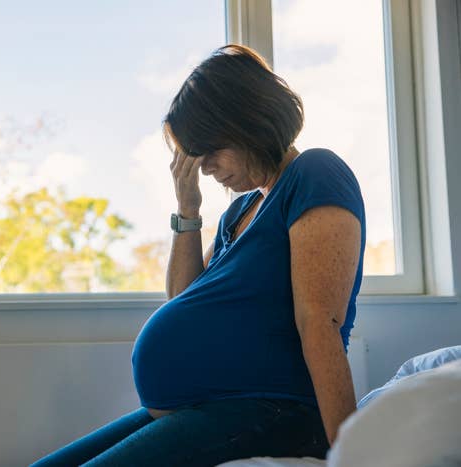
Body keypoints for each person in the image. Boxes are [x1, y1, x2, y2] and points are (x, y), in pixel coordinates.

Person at [30, 44, 366, 467]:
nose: (204, 167)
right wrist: (188, 210)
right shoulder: (239, 212)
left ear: (250, 121)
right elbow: (184, 300)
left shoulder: (314, 173)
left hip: (276, 409)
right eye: (196, 155)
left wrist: (350, 454)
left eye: (211, 150)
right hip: (214, 405)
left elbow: (319, 321)